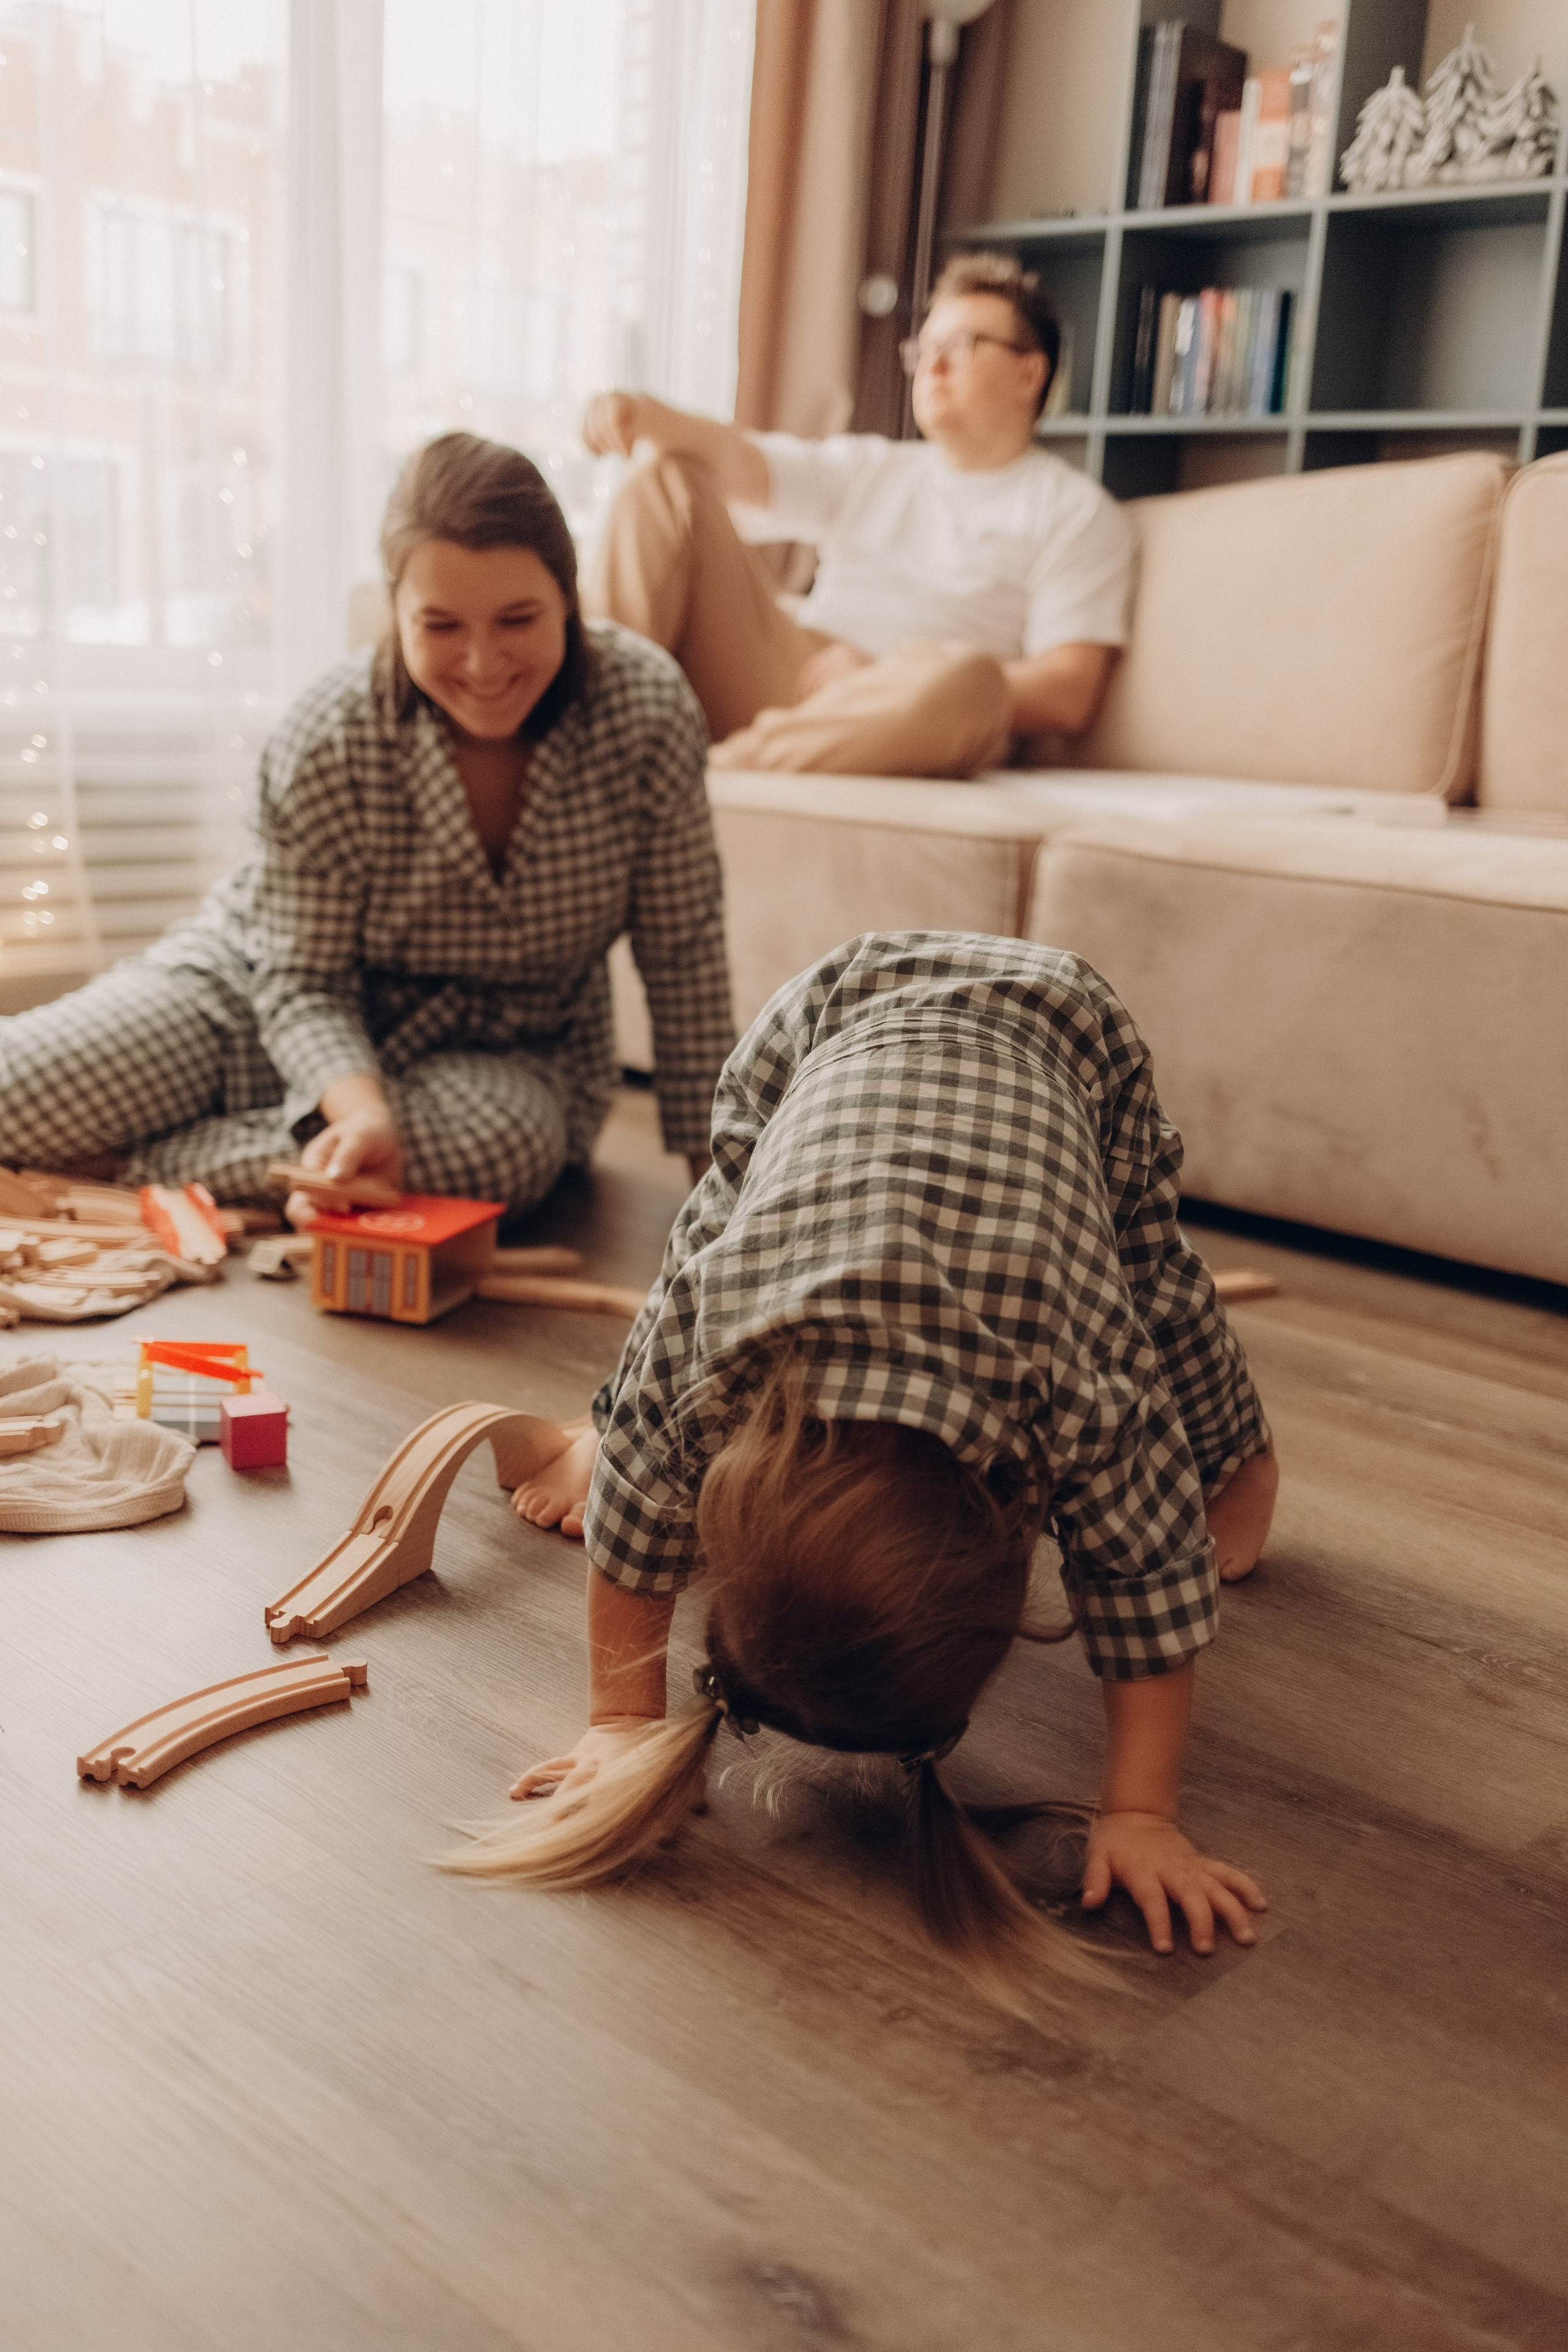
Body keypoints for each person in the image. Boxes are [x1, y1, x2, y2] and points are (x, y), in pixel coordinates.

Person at [447, 932, 1278, 2011]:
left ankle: (1250, 1457)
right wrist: (619, 1723)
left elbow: (1147, 1580)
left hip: (1061, 1035)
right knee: (702, 1238)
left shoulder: (1078, 1379)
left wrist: (1140, 1812)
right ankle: (600, 1422)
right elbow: (645, 1502)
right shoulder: (724, 1334)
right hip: (825, 1026)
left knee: (1158, 1280)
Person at [0, 433, 733, 1215]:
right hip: (251, 1000)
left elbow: (682, 955)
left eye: (517, 619)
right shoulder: (329, 733)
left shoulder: (647, 711)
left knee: (506, 1150)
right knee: (19, 1092)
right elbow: (302, 981)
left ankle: (121, 1161)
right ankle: (210, 1154)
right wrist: (362, 1112)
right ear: (395, 611)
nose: (483, 664)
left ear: (569, 596)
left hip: (504, 1061)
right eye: (441, 626)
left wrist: (722, 1194)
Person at [579, 251, 1134, 781]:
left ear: (1029, 374)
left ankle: (708, 776)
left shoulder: (1075, 511)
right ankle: (576, 737)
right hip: (801, 675)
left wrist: (880, 676)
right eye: (925, 348)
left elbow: (1068, 691)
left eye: (962, 345)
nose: (932, 366)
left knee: (974, 680)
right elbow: (745, 465)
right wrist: (646, 417)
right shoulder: (870, 466)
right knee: (666, 478)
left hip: (910, 711)